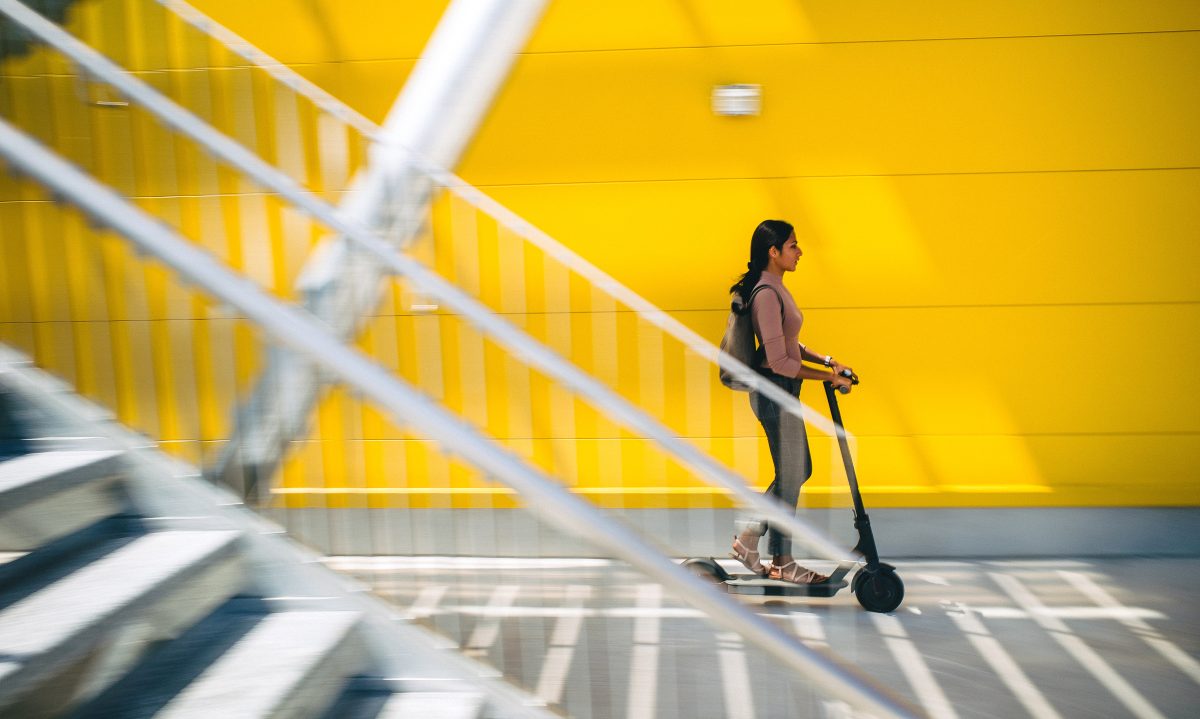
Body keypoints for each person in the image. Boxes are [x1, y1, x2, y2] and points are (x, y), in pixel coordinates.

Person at [729, 219, 854, 584]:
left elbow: (790, 344)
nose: (800, 252)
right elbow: (780, 361)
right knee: (794, 473)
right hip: (773, 392)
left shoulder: (776, 288)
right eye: (794, 245)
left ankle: (749, 540)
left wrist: (829, 362)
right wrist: (828, 378)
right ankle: (780, 560)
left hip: (782, 391)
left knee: (797, 471)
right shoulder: (766, 294)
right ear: (774, 251)